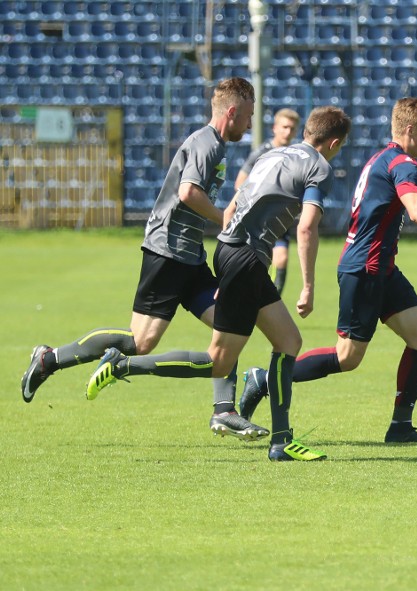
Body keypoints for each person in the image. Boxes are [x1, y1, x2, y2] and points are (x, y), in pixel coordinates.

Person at [85, 106, 352, 462]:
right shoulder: (320, 167)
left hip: (233, 251)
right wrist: (308, 286)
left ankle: (281, 440)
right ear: (334, 142)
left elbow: (241, 195)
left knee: (288, 341)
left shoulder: (272, 154)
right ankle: (121, 365)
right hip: (245, 258)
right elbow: (306, 227)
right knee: (219, 362)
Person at [239, 97, 417, 443]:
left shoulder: (383, 157)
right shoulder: (404, 164)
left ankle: (401, 427)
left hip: (382, 267)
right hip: (364, 268)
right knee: (347, 358)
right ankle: (264, 379)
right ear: (410, 130)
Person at [21, 77, 269, 440]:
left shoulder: (214, 145)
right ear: (231, 112)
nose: (249, 124)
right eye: (248, 115)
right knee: (140, 342)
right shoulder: (207, 144)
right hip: (168, 251)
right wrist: (223, 219)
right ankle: (49, 359)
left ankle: (224, 411)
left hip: (188, 255)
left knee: (229, 324)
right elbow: (188, 193)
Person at [235, 108, 302, 296]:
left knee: (281, 259)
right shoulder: (262, 152)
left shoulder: (297, 155)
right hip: (259, 221)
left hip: (280, 220)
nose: (288, 132)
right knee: (254, 262)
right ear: (274, 128)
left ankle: (272, 300)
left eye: (292, 128)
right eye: (284, 127)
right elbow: (240, 182)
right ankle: (250, 296)